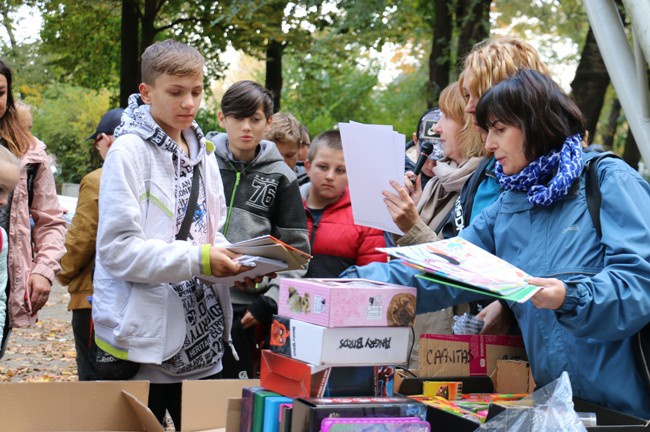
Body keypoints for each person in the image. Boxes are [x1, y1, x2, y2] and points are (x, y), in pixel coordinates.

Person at [347, 69, 650, 418]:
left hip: (635, 409)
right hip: (563, 409)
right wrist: (350, 287)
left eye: (500, 129)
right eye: (487, 130)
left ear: (537, 124)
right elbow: (444, 269)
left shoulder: (608, 180)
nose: (489, 144)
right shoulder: (508, 205)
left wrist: (570, 296)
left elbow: (640, 283)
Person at [93, 40, 263, 429]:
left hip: (203, 346)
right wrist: (199, 259)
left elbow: (208, 233)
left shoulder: (202, 149)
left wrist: (237, 262)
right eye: (176, 92)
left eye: (198, 92)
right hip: (143, 346)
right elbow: (117, 251)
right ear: (146, 92)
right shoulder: (128, 153)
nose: (189, 103)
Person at [208, 80, 310, 380]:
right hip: (194, 300)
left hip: (246, 312)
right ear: (221, 118)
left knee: (225, 402)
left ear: (268, 123)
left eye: (255, 119)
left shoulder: (281, 176)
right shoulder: (201, 163)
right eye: (238, 117)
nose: (246, 127)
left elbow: (298, 251)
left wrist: (269, 301)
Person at [382, 82, 485, 368]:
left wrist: (413, 224)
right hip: (416, 339)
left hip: (446, 352)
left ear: (468, 125)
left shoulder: (486, 187)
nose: (437, 129)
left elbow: (465, 269)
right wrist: (407, 217)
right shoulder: (440, 182)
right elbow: (417, 255)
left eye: (445, 118)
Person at [0, 60, 66, 358]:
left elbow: (51, 221)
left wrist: (42, 270)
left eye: (0, 92)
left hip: (3, 288)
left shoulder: (29, 153)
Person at [56, 107, 123, 381]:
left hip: (94, 297)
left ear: (108, 138)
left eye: (97, 141)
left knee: (94, 380)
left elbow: (82, 237)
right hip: (141, 301)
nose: (97, 148)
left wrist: (62, 271)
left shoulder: (98, 179)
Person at [301, 130, 387, 278]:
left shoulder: (365, 219)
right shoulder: (286, 207)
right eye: (323, 167)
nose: (330, 176)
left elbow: (373, 279)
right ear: (308, 167)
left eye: (340, 171)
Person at [0, 145, 20, 354]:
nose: (4, 201)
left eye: (8, 192)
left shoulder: (0, 238)